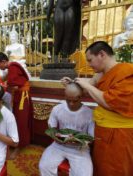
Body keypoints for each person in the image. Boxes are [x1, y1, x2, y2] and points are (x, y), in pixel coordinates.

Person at [63, 41, 133, 176]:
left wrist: (88, 86)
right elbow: (83, 91)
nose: (89, 64)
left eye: (90, 60)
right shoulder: (101, 74)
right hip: (102, 130)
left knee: (115, 168)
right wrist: (71, 84)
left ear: (101, 54)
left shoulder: (126, 72)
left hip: (119, 133)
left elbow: (110, 102)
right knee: (100, 166)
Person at [39, 82, 94, 176]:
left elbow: (91, 137)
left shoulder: (89, 113)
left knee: (85, 174)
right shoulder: (57, 109)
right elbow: (51, 129)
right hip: (59, 145)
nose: (71, 104)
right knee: (44, 166)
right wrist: (56, 136)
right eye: (68, 100)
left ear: (81, 97)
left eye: (75, 101)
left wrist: (78, 141)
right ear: (65, 96)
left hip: (79, 149)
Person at [0, 52, 33, 159]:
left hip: (22, 98)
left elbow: (14, 86)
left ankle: (18, 146)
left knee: (20, 121)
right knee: (17, 119)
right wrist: (0, 83)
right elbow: (6, 80)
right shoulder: (11, 68)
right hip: (19, 96)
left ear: (3, 61)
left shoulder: (13, 67)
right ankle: (17, 142)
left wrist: (2, 87)